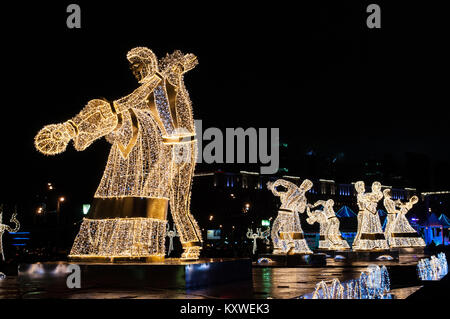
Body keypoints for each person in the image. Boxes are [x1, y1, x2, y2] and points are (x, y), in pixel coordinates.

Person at [35, 48, 202, 260]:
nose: (134, 70)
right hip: (168, 147)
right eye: (131, 67)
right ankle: (140, 243)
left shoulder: (166, 78)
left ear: (148, 62)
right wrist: (99, 118)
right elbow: (130, 104)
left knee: (179, 203)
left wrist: (181, 65)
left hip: (184, 147)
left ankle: (192, 245)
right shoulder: (144, 93)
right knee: (149, 194)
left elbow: (142, 93)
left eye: (137, 65)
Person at [267, 179, 313, 254]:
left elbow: (281, 182)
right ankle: (286, 246)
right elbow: (301, 210)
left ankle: (280, 247)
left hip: (284, 213)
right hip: (287, 214)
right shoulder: (303, 198)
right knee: (283, 233)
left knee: (276, 231)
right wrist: (303, 205)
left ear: (303, 184)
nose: (305, 185)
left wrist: (274, 186)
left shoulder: (294, 188)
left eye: (306, 184)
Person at [352, 181, 388, 251]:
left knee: (366, 228)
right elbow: (367, 200)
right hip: (363, 213)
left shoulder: (366, 195)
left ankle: (360, 243)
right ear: (358, 188)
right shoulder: (361, 195)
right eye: (361, 187)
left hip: (367, 213)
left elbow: (374, 198)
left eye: (363, 186)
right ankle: (357, 243)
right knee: (361, 229)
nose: (363, 188)